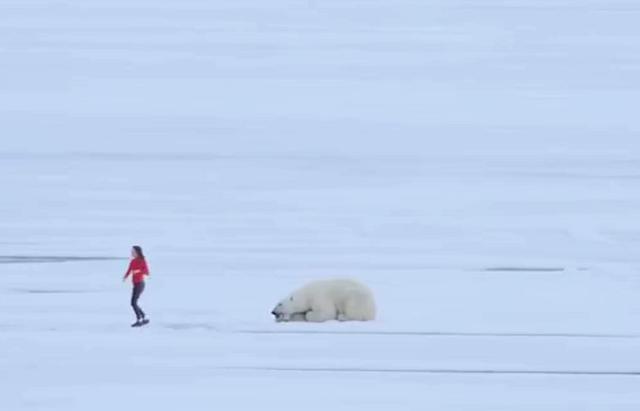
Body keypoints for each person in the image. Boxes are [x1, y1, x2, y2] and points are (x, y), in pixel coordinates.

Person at [123, 245, 150, 327]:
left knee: (133, 302)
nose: (132, 253)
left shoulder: (142, 261)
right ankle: (144, 317)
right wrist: (125, 276)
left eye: (133, 251)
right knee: (134, 302)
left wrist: (138, 271)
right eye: (131, 251)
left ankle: (139, 319)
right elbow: (129, 270)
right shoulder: (133, 261)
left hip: (140, 284)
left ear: (137, 252)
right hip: (135, 284)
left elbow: (147, 272)